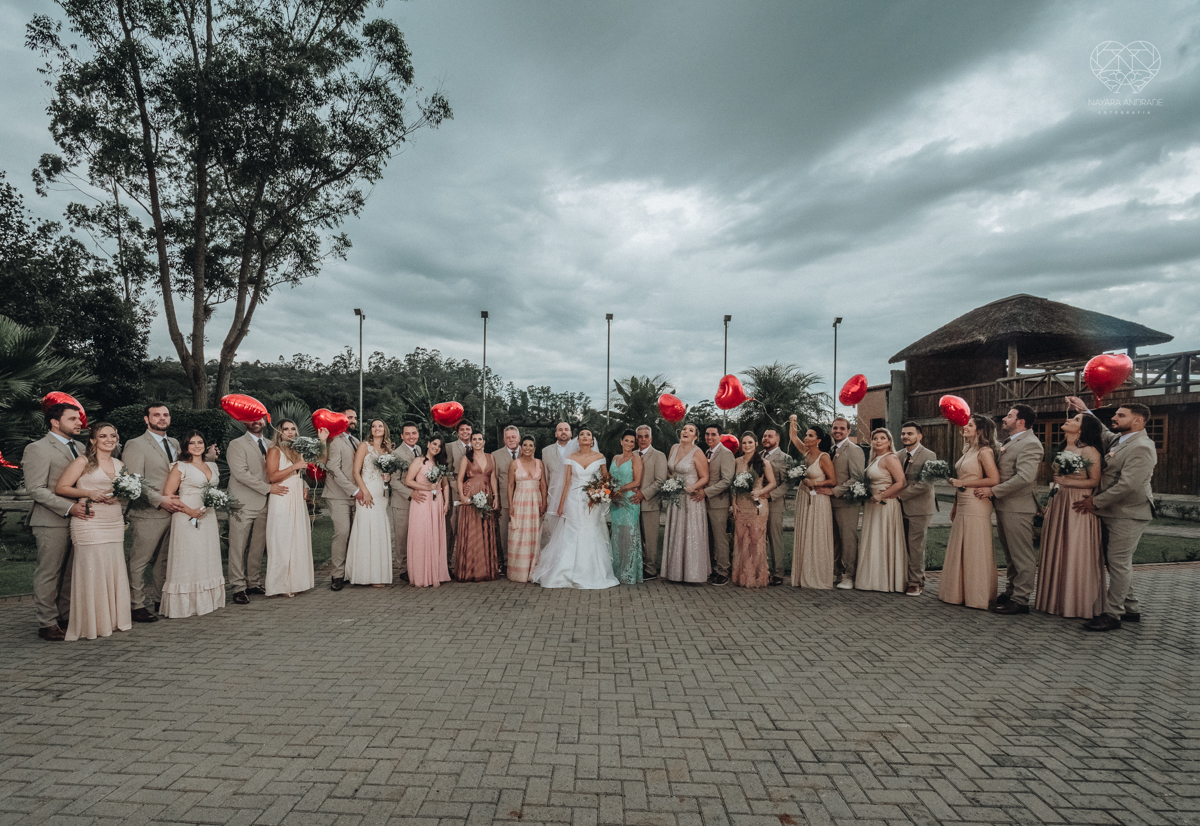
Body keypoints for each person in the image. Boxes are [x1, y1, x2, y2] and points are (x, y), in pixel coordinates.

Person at [1066, 397, 1158, 632]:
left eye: (1120, 415)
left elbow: (1128, 485)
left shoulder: (1142, 447)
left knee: (1118, 563)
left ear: (1138, 420)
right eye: (1116, 414)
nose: (1114, 418)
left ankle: (1113, 614)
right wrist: (1085, 411)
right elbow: (1104, 432)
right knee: (1115, 562)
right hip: (1113, 511)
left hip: (1128, 513)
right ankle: (1131, 608)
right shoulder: (1121, 439)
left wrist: (1095, 501)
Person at [52, 422, 131, 640]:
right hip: (90, 520)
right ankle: (90, 621)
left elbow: (125, 491)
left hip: (113, 520)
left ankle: (112, 619)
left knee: (112, 566)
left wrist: (119, 497)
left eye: (113, 435)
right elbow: (61, 487)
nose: (109, 439)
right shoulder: (83, 461)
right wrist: (89, 493)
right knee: (91, 568)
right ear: (93, 440)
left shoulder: (120, 464)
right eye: (103, 436)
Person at [23, 402, 89, 641]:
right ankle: (47, 622)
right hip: (51, 520)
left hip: (80, 521)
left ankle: (65, 615)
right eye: (72, 419)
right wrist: (70, 507)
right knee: (49, 573)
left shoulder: (81, 447)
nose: (79, 423)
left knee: (71, 571)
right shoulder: (37, 448)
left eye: (79, 419)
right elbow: (36, 489)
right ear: (54, 422)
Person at [1035, 412, 1104, 619]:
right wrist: (1050, 500)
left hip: (1077, 503)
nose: (1069, 420)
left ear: (1082, 429)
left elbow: (1094, 481)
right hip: (1059, 501)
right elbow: (1057, 479)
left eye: (1076, 419)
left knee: (1075, 547)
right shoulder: (1063, 447)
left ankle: (1076, 602)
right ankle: (1055, 600)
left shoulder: (1090, 451)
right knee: (1057, 545)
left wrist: (1068, 483)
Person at [533, 429, 619, 589]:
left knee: (590, 530)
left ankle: (592, 572)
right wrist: (560, 505)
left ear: (592, 440)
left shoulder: (600, 458)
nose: (585, 437)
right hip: (573, 500)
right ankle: (564, 572)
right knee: (572, 531)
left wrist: (600, 493)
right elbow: (566, 483)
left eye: (588, 435)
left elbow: (606, 480)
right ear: (577, 440)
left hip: (592, 500)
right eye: (582, 435)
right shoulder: (570, 458)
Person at [121, 402, 185, 621]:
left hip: (175, 511)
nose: (162, 418)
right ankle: (135, 604)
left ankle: (161, 599)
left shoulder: (175, 443)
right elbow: (133, 480)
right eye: (156, 415)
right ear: (146, 420)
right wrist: (160, 500)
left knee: (164, 560)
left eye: (166, 414)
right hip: (148, 511)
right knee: (140, 561)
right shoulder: (136, 444)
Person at [977, 405, 1042, 615]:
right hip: (1006, 507)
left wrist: (994, 491)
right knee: (1011, 554)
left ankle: (1021, 599)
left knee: (1022, 555)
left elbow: (1025, 477)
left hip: (1018, 507)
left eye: (1009, 416)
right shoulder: (1010, 441)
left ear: (1021, 422)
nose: (1004, 419)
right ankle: (1011, 591)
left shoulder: (1031, 444)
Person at [159, 431, 226, 618]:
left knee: (206, 556)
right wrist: (190, 512)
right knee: (188, 557)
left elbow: (213, 493)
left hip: (208, 516)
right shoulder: (180, 466)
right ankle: (184, 605)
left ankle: (207, 600)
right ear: (185, 447)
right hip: (186, 516)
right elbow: (168, 495)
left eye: (200, 442)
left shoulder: (212, 466)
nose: (197, 446)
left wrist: (214, 516)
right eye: (192, 443)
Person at [939, 414, 1000, 610]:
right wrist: (956, 502)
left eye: (970, 425)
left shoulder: (984, 451)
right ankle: (958, 592)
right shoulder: (967, 450)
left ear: (980, 431)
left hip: (977, 502)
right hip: (964, 502)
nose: (965, 427)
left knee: (975, 547)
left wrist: (963, 483)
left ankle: (977, 595)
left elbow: (994, 479)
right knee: (961, 546)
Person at [226, 417, 284, 604]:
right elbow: (241, 474)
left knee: (258, 546)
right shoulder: (236, 445)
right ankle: (238, 587)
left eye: (259, 418)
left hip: (266, 503)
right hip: (243, 502)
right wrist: (268, 488)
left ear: (265, 420)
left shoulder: (271, 445)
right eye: (251, 419)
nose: (256, 421)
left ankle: (253, 582)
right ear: (244, 422)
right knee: (238, 546)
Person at [265, 419, 324, 597]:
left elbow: (315, 465)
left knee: (297, 538)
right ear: (279, 432)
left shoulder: (298, 450)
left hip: (297, 497)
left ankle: (297, 582)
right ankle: (280, 585)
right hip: (282, 497)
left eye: (293, 429)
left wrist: (304, 483)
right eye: (286, 429)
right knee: (282, 539)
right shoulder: (274, 450)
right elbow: (272, 477)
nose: (290, 432)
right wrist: (294, 467)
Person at [855, 428, 907, 593]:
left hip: (886, 505)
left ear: (889, 441)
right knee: (874, 539)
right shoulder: (875, 459)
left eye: (882, 438)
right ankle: (873, 579)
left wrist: (882, 496)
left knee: (882, 538)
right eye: (875, 438)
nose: (878, 441)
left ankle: (884, 580)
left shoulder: (890, 458)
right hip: (872, 506)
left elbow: (901, 482)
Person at [345, 419, 394, 586]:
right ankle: (364, 574)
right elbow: (355, 472)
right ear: (370, 430)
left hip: (381, 494)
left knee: (378, 530)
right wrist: (364, 491)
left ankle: (377, 574)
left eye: (380, 425)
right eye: (373, 426)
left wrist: (388, 477)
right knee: (366, 529)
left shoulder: (388, 449)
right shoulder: (364, 446)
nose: (376, 428)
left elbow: (387, 473)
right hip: (367, 492)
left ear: (384, 429)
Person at [787, 418, 836, 589]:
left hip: (818, 500)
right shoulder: (805, 452)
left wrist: (815, 483)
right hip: (803, 498)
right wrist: (793, 420)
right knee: (804, 532)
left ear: (818, 440)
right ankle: (802, 574)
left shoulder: (824, 457)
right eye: (806, 435)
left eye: (810, 435)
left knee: (816, 533)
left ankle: (817, 575)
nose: (806, 438)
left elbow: (833, 480)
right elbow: (793, 437)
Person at [662, 424, 711, 584]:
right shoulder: (674, 448)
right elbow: (670, 471)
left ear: (696, 437)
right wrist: (671, 482)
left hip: (691, 498)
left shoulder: (698, 453)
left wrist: (693, 487)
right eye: (684, 429)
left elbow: (705, 477)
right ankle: (675, 573)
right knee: (676, 530)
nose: (686, 432)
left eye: (691, 431)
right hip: (676, 497)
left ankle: (693, 573)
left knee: (690, 532)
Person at [895, 422, 938, 597]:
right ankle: (903, 578)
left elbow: (926, 484)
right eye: (903, 433)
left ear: (919, 436)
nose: (905, 436)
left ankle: (916, 582)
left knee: (916, 546)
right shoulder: (898, 455)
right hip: (899, 508)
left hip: (920, 508)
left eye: (910, 433)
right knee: (902, 544)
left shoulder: (929, 455)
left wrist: (900, 495)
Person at [403, 436, 452, 587]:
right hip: (422, 501)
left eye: (439, 446)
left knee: (435, 535)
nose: (436, 447)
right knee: (421, 535)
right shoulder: (419, 461)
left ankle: (435, 573)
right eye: (434, 444)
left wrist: (447, 502)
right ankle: (421, 574)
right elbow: (408, 481)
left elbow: (445, 484)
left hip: (437, 503)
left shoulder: (439, 464)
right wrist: (427, 488)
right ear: (428, 444)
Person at [730, 431, 776, 588]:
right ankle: (741, 575)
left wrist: (760, 492)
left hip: (757, 505)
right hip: (741, 505)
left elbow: (772, 483)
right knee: (741, 540)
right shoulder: (736, 462)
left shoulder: (763, 463)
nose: (747, 446)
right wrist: (734, 503)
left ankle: (757, 576)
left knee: (756, 540)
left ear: (756, 444)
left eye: (750, 442)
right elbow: (733, 485)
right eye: (744, 443)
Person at [455, 431, 500, 582]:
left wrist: (496, 496)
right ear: (471, 442)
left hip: (486, 494)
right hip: (471, 494)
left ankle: (485, 569)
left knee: (485, 529)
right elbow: (460, 479)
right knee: (472, 529)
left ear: (484, 441)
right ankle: (470, 570)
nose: (477, 441)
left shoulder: (491, 457)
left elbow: (493, 477)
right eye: (474, 439)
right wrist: (462, 497)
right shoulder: (466, 458)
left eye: (480, 439)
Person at [323, 406, 360, 591]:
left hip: (356, 495)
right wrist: (353, 490)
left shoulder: (356, 440)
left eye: (354, 418)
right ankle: (337, 575)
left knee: (354, 534)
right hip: (337, 494)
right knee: (342, 533)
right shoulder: (335, 441)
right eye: (348, 418)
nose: (352, 421)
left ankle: (349, 572)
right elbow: (333, 469)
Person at [828, 416, 866, 589]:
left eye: (842, 428)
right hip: (830, 503)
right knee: (834, 540)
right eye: (835, 428)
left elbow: (857, 477)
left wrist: (835, 491)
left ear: (849, 431)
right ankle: (835, 573)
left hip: (847, 503)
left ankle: (850, 575)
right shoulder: (830, 449)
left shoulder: (854, 449)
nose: (838, 431)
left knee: (848, 540)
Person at [506, 436, 546, 582]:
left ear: (534, 448)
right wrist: (510, 505)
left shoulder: (539, 463)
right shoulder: (514, 464)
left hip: (536, 502)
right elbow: (510, 486)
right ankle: (519, 572)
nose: (528, 448)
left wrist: (544, 503)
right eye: (525, 445)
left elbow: (543, 485)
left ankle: (533, 570)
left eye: (531, 445)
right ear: (521, 448)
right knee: (518, 535)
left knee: (535, 535)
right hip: (520, 502)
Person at [632, 425, 668, 580]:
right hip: (632, 503)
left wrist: (643, 494)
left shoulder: (659, 456)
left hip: (650, 503)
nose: (643, 439)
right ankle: (638, 566)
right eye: (640, 436)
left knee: (651, 538)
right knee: (636, 537)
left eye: (646, 436)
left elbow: (660, 480)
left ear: (651, 438)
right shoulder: (631, 454)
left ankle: (651, 570)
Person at [388, 422, 423, 583]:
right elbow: (393, 481)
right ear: (402, 436)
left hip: (419, 501)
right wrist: (410, 494)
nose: (411, 436)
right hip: (402, 501)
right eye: (407, 434)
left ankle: (414, 565)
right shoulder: (396, 454)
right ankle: (403, 569)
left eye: (414, 433)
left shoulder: (419, 450)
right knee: (402, 537)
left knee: (415, 535)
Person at [609, 429, 644, 584]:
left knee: (629, 536)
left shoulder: (636, 459)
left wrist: (620, 490)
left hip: (629, 501)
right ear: (621, 441)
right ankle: (616, 571)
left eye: (632, 442)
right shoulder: (615, 458)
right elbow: (609, 478)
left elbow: (637, 482)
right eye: (627, 440)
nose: (629, 444)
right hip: (615, 502)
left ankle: (629, 573)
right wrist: (610, 492)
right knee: (616, 536)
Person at [702, 424, 734, 585]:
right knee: (709, 538)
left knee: (720, 538)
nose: (709, 437)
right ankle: (713, 569)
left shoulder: (726, 454)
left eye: (713, 434)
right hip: (704, 503)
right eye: (707, 434)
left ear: (720, 436)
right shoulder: (707, 452)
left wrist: (706, 492)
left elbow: (727, 480)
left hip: (718, 503)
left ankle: (723, 571)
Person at [540, 422, 578, 547]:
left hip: (574, 498)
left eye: (566, 429)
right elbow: (544, 478)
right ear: (556, 433)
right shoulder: (546, 451)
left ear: (571, 433)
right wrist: (544, 500)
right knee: (554, 534)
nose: (563, 432)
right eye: (560, 429)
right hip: (554, 500)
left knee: (573, 533)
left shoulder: (579, 449)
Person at [759, 427, 790, 586]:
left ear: (777, 439)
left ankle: (778, 573)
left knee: (774, 537)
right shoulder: (758, 456)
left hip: (774, 503)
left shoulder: (785, 458)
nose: (766, 438)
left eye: (769, 436)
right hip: (757, 503)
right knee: (758, 537)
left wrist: (770, 494)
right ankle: (761, 570)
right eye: (764, 436)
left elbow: (787, 484)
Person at [492, 426, 521, 574]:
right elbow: (494, 479)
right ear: (504, 439)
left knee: (522, 530)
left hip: (524, 499)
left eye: (513, 437)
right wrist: (495, 498)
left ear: (519, 438)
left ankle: (520, 561)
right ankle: (504, 562)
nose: (511, 440)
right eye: (508, 437)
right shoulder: (496, 455)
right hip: (504, 498)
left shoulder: (527, 451)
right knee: (503, 531)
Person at [445, 419, 474, 566]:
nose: (465, 432)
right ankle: (448, 562)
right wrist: (458, 487)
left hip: (474, 490)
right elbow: (447, 471)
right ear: (457, 432)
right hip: (455, 490)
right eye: (462, 429)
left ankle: (467, 561)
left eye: (467, 429)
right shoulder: (450, 447)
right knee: (452, 526)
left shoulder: (476, 445)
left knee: (470, 526)